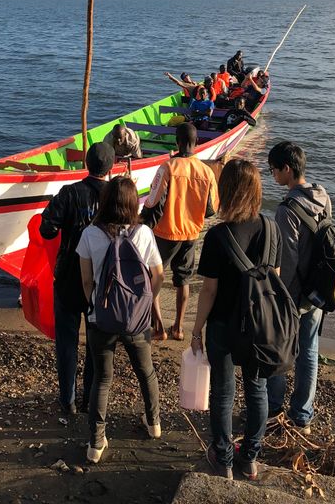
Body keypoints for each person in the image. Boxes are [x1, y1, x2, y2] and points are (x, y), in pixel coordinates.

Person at [190, 159, 282, 480]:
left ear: (226, 191)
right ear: (256, 191)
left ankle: (224, 460)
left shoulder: (218, 237)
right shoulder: (271, 229)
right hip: (258, 328)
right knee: (257, 390)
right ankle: (251, 459)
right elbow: (275, 281)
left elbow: (209, 292)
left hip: (222, 327)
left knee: (223, 393)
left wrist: (196, 329)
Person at [77, 176, 164, 463]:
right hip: (137, 320)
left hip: (101, 318)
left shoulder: (90, 234)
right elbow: (159, 274)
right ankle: (154, 424)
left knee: (102, 379)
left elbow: (87, 281)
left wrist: (96, 306)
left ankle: (95, 444)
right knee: (146, 372)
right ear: (131, 203)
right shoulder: (144, 233)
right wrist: (145, 301)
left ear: (104, 202)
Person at [40, 142, 116, 415]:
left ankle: (68, 400)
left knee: (67, 342)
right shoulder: (115, 196)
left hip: (69, 276)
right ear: (111, 167)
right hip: (103, 280)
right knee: (97, 343)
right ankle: (91, 399)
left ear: (86, 164)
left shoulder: (69, 194)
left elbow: (46, 229)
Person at [266, 141, 331, 434]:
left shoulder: (286, 210)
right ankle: (302, 415)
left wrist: (280, 297)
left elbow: (287, 260)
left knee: (278, 350)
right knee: (309, 351)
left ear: (287, 169)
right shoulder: (323, 195)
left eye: (274, 170)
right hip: (319, 289)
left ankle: (274, 409)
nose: (272, 176)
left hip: (295, 293)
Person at [142, 122, 217, 341]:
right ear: (197, 142)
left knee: (154, 276)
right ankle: (178, 327)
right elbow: (212, 210)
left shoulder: (168, 167)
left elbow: (154, 202)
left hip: (165, 232)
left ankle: (158, 327)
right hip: (191, 233)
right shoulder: (207, 172)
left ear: (177, 142)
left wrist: (143, 225)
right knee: (183, 280)